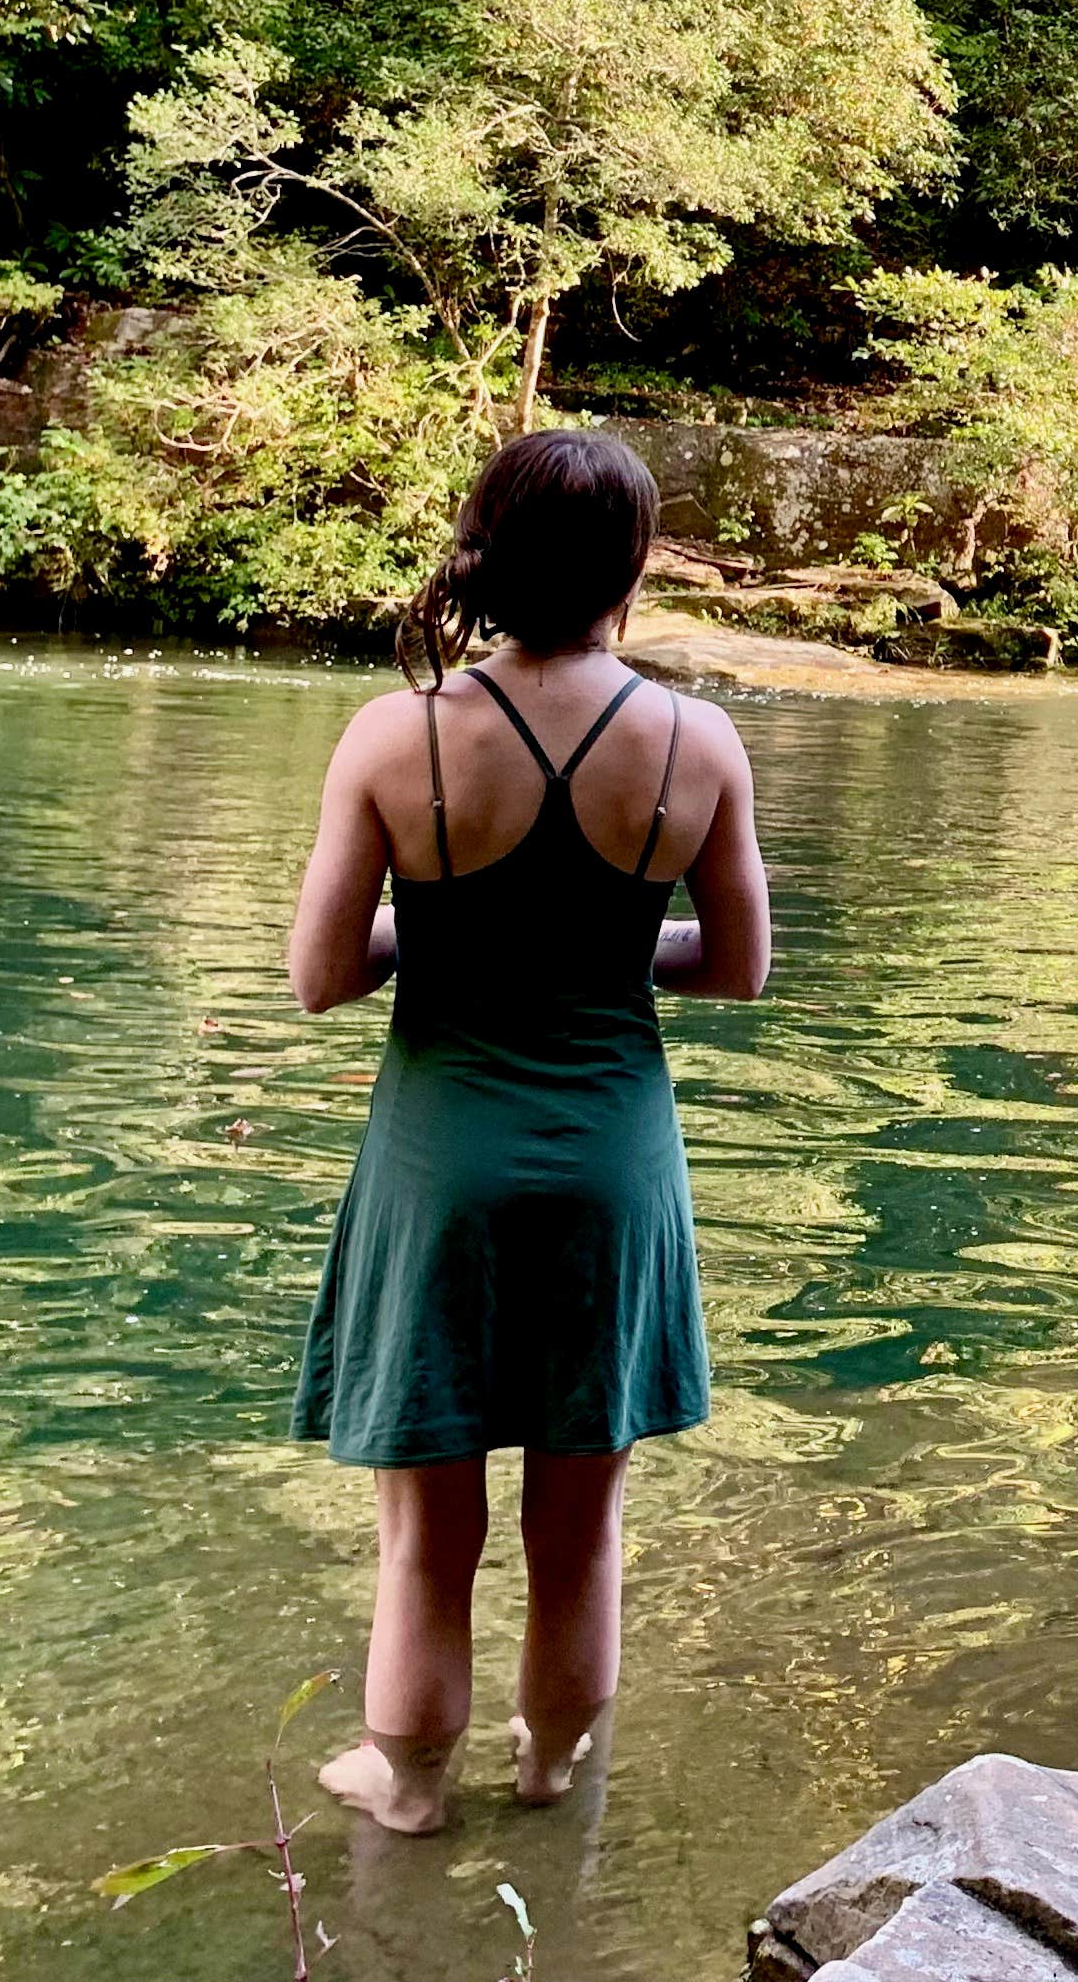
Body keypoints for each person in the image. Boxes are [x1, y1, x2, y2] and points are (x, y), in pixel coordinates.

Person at [281, 428, 770, 1833]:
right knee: (582, 1527)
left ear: (483, 548)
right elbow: (735, 965)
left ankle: (411, 1788)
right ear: (630, 568)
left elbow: (321, 976)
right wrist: (606, 952)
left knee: (428, 1537)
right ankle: (550, 1770)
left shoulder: (397, 735)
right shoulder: (695, 740)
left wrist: (440, 938)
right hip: (613, 1158)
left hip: (442, 1158)